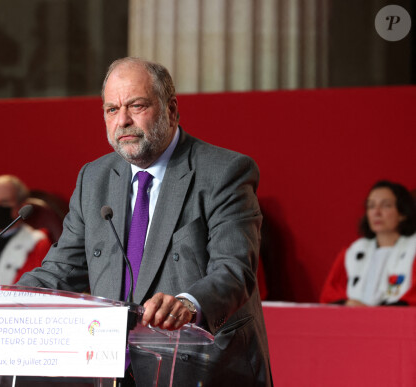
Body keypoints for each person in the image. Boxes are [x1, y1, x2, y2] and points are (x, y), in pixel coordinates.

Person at [16, 57, 272, 386]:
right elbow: (62, 269)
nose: (122, 120)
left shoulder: (224, 172)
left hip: (201, 370)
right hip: (111, 372)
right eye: (111, 110)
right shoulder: (95, 178)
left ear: (172, 110)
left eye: (136, 106)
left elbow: (234, 270)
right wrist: (1, 303)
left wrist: (188, 304)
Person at [320, 180, 416, 306]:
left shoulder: (413, 250)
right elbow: (330, 297)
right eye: (371, 206)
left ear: (403, 213)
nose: (376, 212)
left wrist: (375, 313)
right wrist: (349, 304)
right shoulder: (353, 252)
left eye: (386, 205)